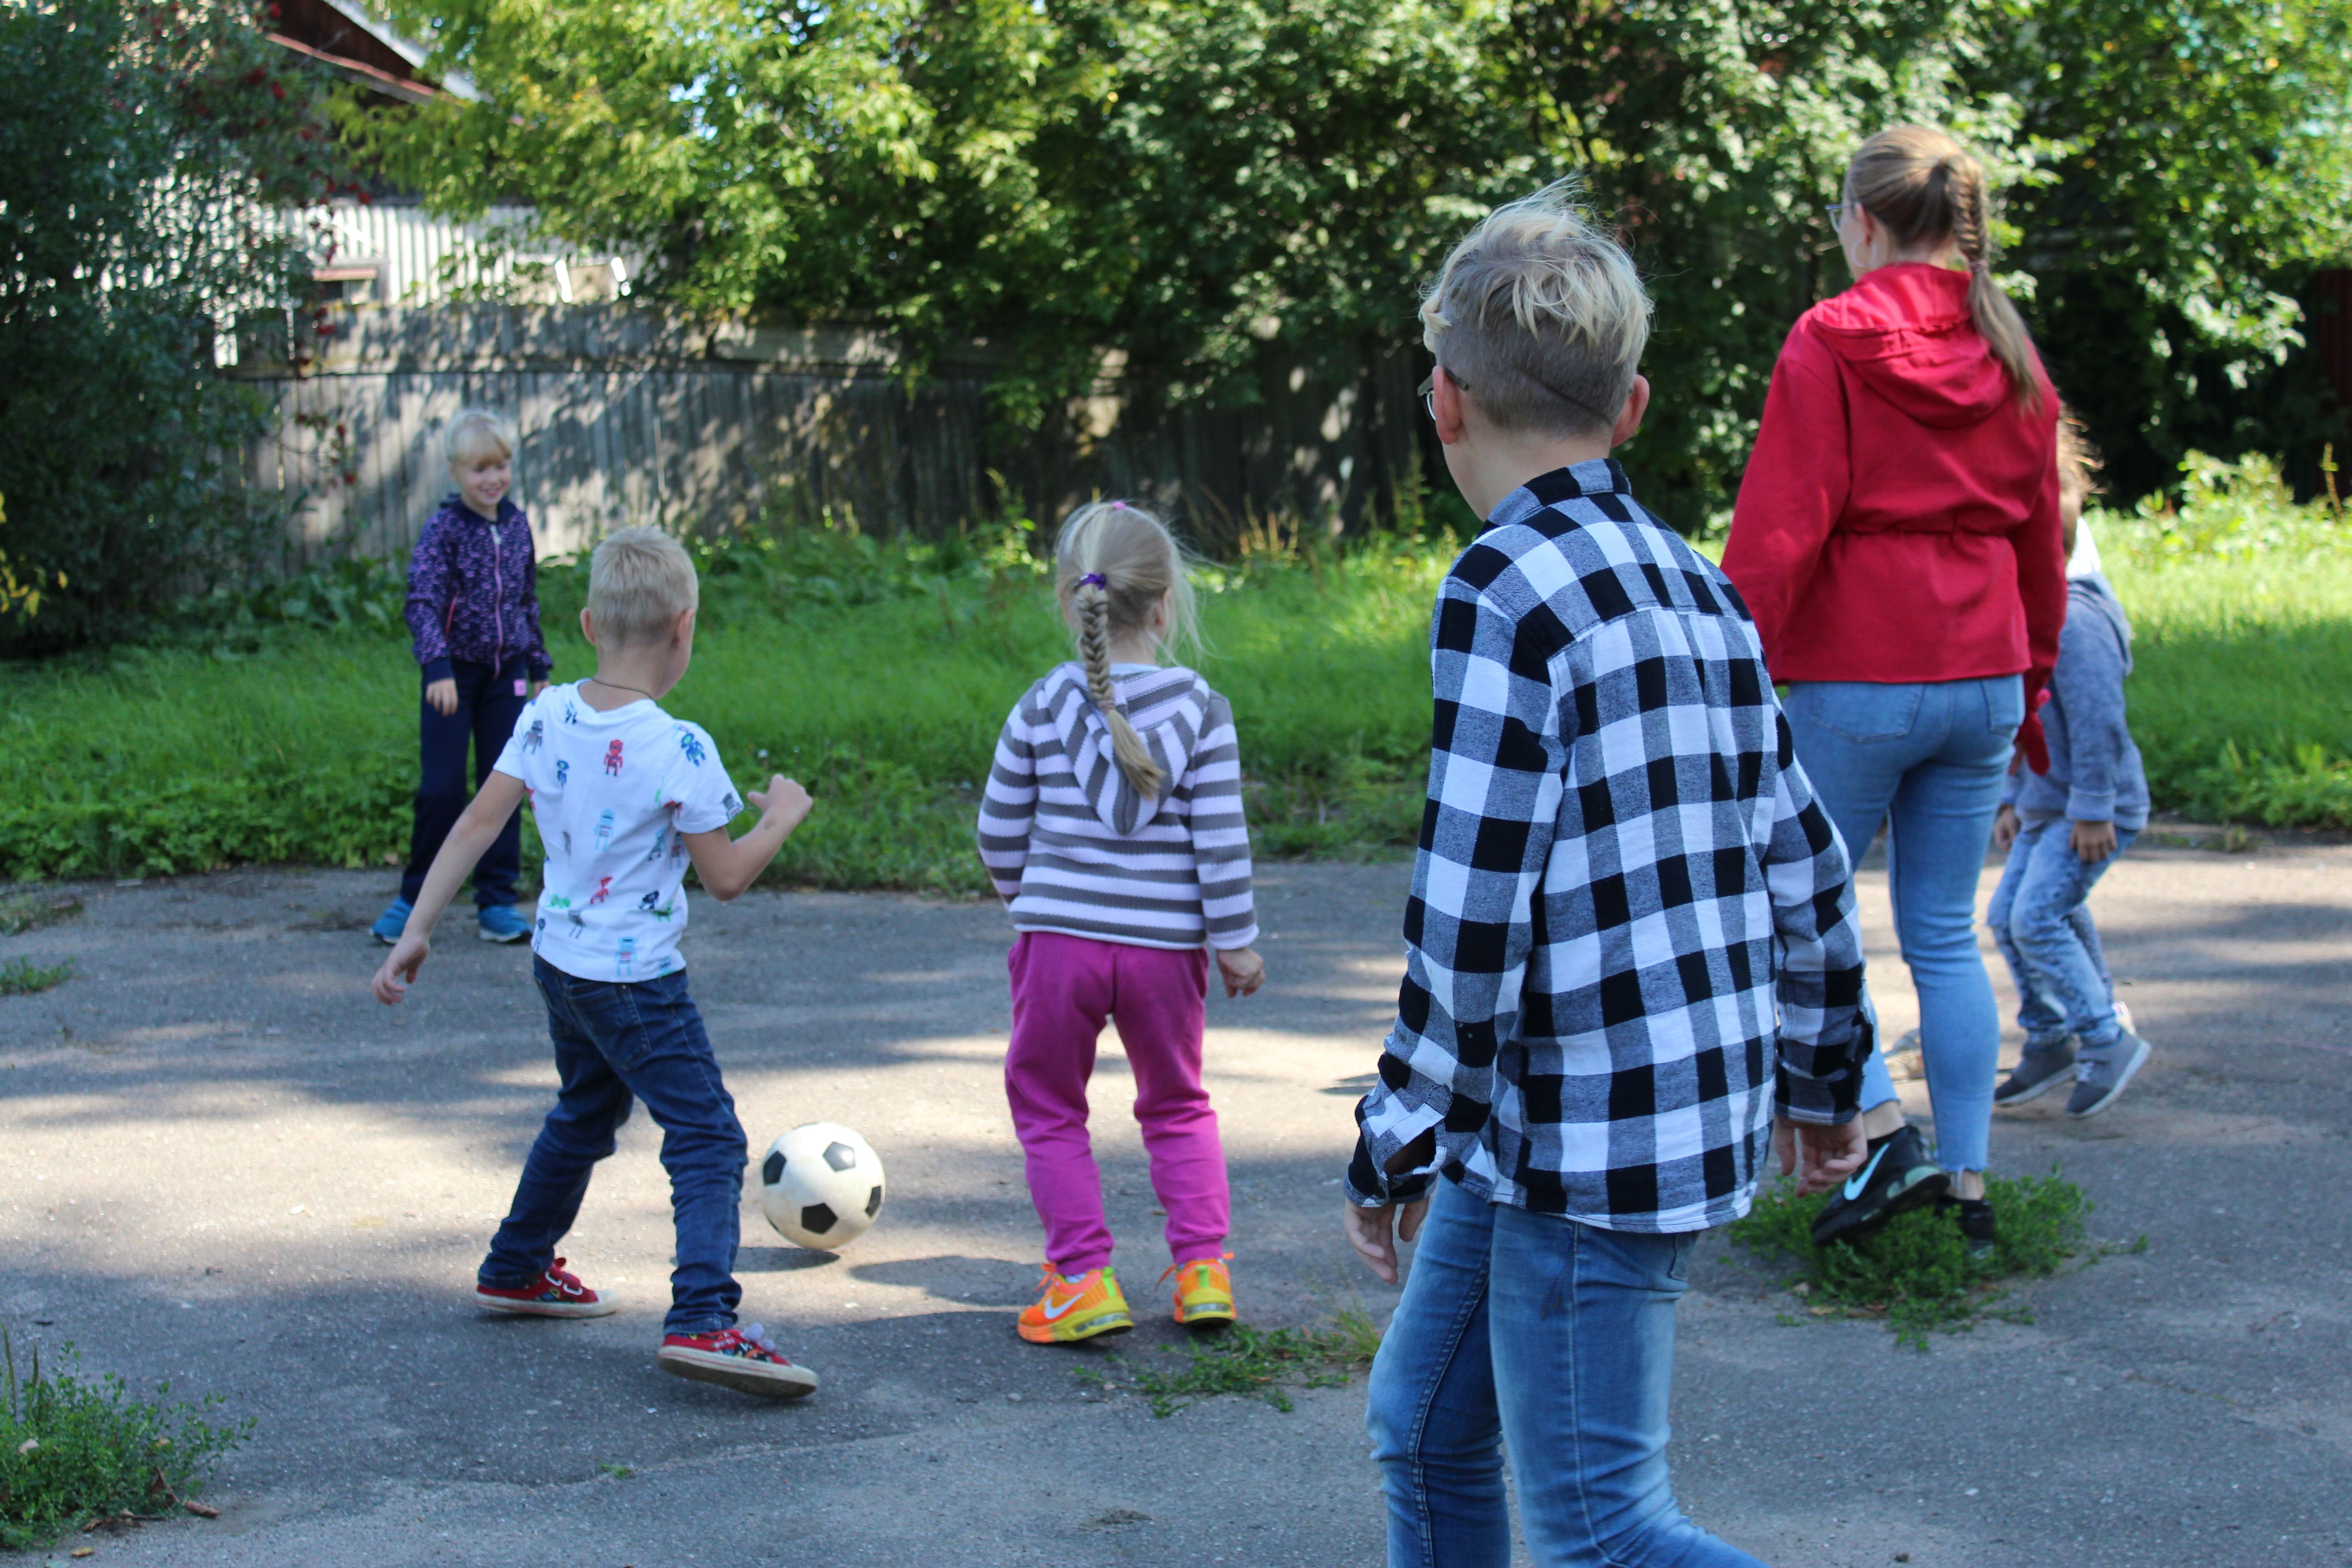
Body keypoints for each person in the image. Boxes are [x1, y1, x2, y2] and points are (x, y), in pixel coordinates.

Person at [1341, 182, 1875, 1568]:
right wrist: (1829, 1080)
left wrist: (1392, 1131)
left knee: (1602, 1530)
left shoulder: (1503, 588)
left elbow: (1474, 905)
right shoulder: (1700, 587)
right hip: (1555, 1128)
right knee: (1421, 1423)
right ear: (1632, 407)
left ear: (1443, 403)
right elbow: (1801, 854)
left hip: (1588, 1143)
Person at [371, 525, 823, 1400]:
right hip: (635, 983)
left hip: (559, 964)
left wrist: (417, 927)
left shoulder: (543, 713)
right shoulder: (679, 746)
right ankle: (703, 1319)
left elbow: (474, 823)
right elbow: (726, 876)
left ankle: (516, 1265)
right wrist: (784, 816)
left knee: (586, 1107)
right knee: (707, 1134)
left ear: (586, 622)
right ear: (685, 628)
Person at [1720, 125, 2066, 1258]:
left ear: (1861, 222)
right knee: (1940, 934)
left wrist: (1726, 668)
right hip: (1980, 668)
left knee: (1796, 918)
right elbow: (2039, 546)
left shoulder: (1828, 338)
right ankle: (1965, 1192)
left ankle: (1880, 1133)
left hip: (1855, 669)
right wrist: (2032, 689)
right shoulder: (2008, 346)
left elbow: (1781, 527)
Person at [976, 500, 1267, 1345]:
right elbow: (1220, 841)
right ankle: (1202, 1268)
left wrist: (1027, 904)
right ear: (1165, 603)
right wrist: (1235, 942)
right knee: (1176, 1104)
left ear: (1071, 603)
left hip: (1057, 947)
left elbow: (997, 828)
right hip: (1163, 956)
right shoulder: (1203, 710)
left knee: (1048, 1105)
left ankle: (1081, 1277)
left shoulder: (1039, 705)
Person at [1989, 413, 2153, 1117]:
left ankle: (2104, 1035)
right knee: (2012, 915)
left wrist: (2093, 807)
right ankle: (2052, 1037)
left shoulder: (2077, 619)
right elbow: (2021, 713)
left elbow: (2098, 726)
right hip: (2044, 802)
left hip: (2091, 805)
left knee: (2038, 918)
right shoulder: (2027, 610)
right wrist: (2007, 794)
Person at [373, 409, 554, 946]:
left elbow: (526, 600)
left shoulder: (518, 524)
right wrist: (437, 666)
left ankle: (497, 902)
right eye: (479, 469)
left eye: (500, 466)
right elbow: (422, 600)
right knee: (443, 788)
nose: (492, 479)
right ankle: (415, 898)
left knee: (505, 787)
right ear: (456, 473)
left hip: (510, 678)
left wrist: (539, 666)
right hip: (453, 679)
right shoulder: (444, 529)